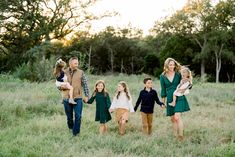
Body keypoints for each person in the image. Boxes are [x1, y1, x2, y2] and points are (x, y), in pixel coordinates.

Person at [160, 58, 190, 141]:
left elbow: (188, 81)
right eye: (170, 65)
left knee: (177, 117)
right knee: (173, 119)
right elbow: (163, 90)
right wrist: (163, 102)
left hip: (179, 96)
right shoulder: (162, 76)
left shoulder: (178, 74)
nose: (172, 66)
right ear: (166, 65)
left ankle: (181, 137)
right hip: (170, 98)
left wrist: (186, 88)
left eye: (173, 64)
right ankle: (175, 136)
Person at [60, 57, 90, 136]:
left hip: (78, 98)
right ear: (70, 64)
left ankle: (75, 133)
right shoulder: (64, 72)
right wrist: (63, 87)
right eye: (75, 63)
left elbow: (85, 84)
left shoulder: (81, 72)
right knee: (69, 117)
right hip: (67, 98)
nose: (77, 65)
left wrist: (87, 95)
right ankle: (71, 128)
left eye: (77, 63)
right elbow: (59, 84)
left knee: (78, 116)